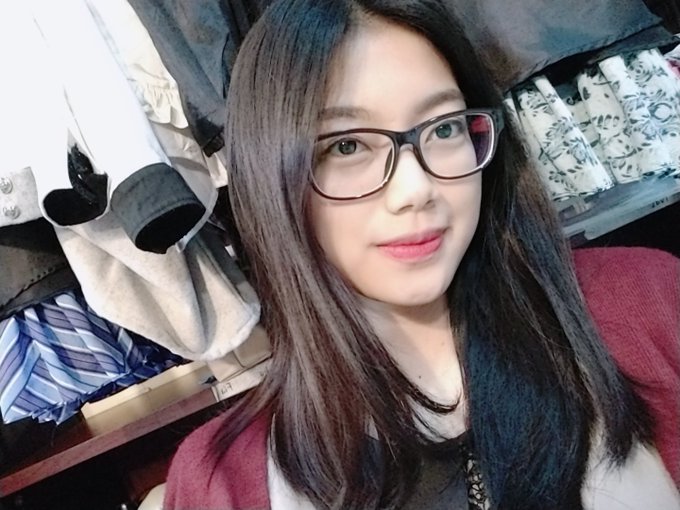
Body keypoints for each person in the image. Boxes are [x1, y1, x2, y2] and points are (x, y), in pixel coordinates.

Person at [163, 0, 680, 508]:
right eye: (346, 146)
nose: (416, 188)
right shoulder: (219, 482)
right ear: (270, 176)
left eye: (444, 128)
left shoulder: (650, 300)